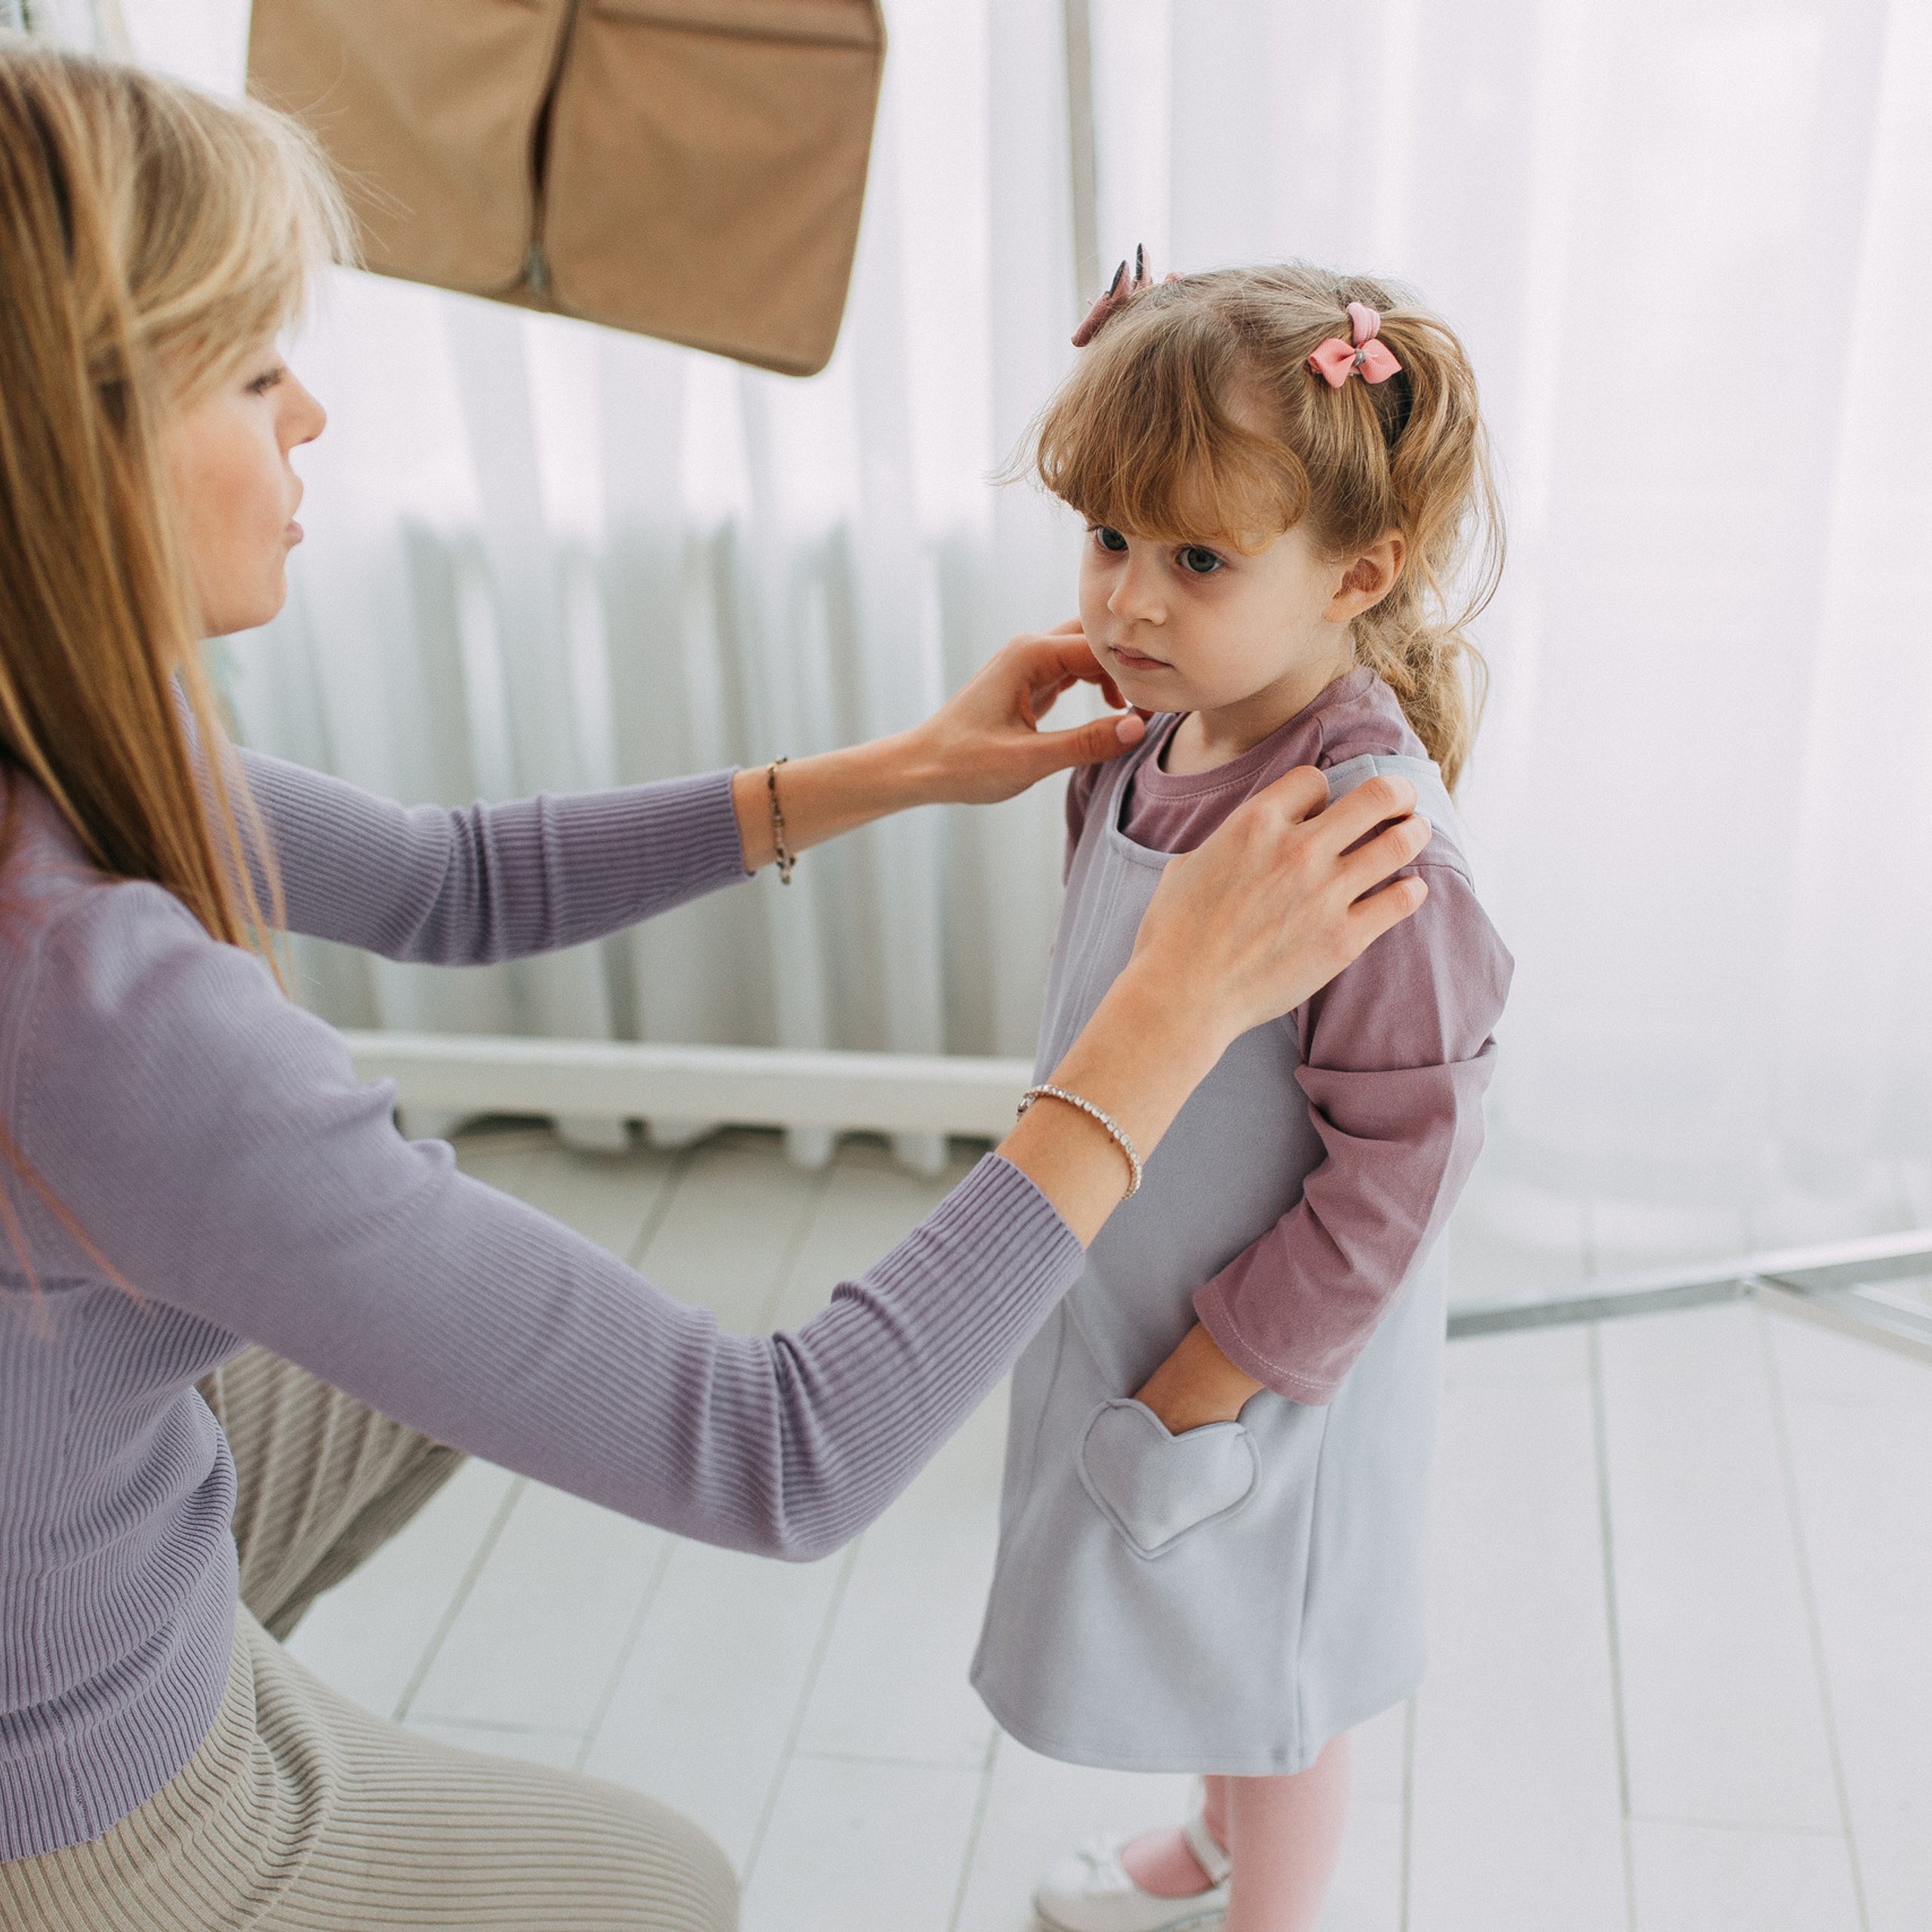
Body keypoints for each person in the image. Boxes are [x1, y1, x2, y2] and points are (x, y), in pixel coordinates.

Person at [0, 46, 1440, 1932]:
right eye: (257, 369)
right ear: (76, 441)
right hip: (64, 1789)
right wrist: (1157, 1023)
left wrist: (894, 770)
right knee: (663, 1885)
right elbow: (785, 1447)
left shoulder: (61, 746)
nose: (316, 414)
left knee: (430, 1350)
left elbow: (452, 877)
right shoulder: (92, 1001)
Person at [970, 260, 1514, 1932]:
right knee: (1181, 1612)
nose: (1126, 602)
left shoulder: (1353, 834)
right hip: (1136, 1295)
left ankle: (1263, 1900)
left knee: (1271, 1661)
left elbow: (1403, 1157)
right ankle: (1214, 1845)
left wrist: (1221, 1366)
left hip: (1264, 1347)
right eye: (1107, 540)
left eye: (1194, 559)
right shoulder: (1160, 738)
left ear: (1356, 569)